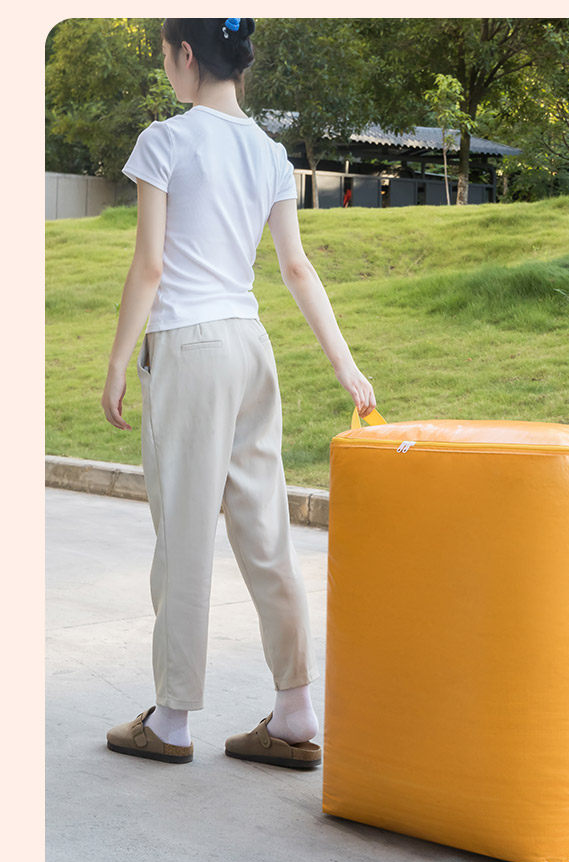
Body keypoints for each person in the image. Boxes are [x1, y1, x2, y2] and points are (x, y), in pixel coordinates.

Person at [100, 17, 376, 767]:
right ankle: (295, 712)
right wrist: (346, 366)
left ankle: (172, 720)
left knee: (185, 535)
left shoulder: (164, 141)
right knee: (265, 530)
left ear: (186, 55)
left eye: (165, 55)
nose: (166, 67)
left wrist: (119, 360)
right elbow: (296, 268)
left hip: (189, 350)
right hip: (252, 349)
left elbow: (150, 266)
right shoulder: (269, 152)